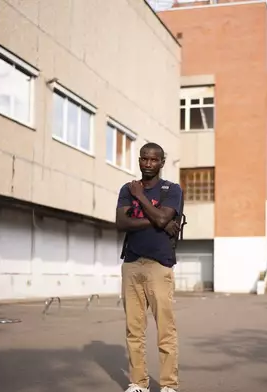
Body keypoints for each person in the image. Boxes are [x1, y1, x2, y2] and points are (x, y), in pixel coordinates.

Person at [115, 142, 182, 392]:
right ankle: (138, 383)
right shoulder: (126, 189)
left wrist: (142, 198)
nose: (148, 164)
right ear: (139, 160)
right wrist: (159, 222)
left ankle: (168, 386)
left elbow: (166, 216)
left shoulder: (171, 190)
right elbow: (121, 222)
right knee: (134, 329)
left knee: (165, 329)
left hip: (159, 264)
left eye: (154, 160)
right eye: (144, 159)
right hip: (131, 263)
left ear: (162, 162)